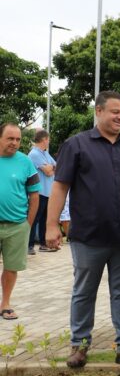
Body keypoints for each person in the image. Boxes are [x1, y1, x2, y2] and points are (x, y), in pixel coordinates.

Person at [46, 90, 120, 367]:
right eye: (115, 111)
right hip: (88, 237)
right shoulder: (76, 145)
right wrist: (52, 225)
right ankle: (79, 344)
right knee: (84, 290)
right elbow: (60, 186)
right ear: (98, 111)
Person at [0, 122, 40, 321]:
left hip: (17, 225)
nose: (14, 143)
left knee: (11, 266)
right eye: (10, 138)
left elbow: (34, 196)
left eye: (18, 139)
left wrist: (28, 224)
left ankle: (5, 303)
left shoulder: (26, 162)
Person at [27, 129, 57, 254]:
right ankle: (29, 245)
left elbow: (55, 166)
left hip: (47, 192)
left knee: (45, 219)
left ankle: (43, 244)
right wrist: (50, 168)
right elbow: (48, 171)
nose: (49, 141)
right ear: (44, 139)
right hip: (38, 192)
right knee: (34, 218)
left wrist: (51, 168)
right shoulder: (34, 154)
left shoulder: (45, 153)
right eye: (48, 139)